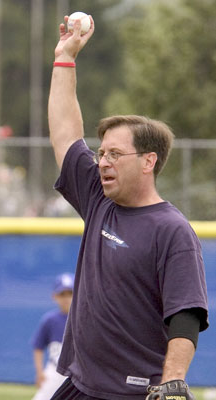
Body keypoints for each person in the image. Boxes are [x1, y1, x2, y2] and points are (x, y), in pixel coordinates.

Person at [47, 15, 209, 400]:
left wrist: (173, 380)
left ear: (148, 161)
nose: (103, 162)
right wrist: (65, 58)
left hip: (134, 392)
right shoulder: (99, 200)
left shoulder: (172, 230)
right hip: (82, 385)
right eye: (101, 153)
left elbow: (186, 316)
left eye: (115, 154)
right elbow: (66, 134)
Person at [31, 273, 74, 400]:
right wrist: (39, 372)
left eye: (70, 293)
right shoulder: (50, 320)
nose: (66, 298)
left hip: (76, 374)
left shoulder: (83, 319)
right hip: (54, 370)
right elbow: (38, 346)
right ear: (54, 296)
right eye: (62, 294)